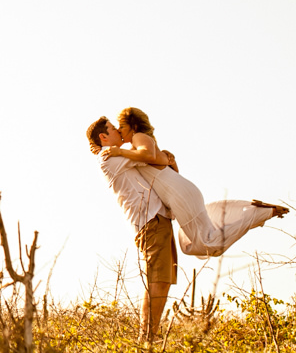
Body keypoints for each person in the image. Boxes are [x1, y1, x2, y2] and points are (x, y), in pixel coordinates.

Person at [103, 107, 286, 257]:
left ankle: (260, 212)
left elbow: (148, 155)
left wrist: (119, 152)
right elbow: (165, 166)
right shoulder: (137, 147)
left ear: (133, 126)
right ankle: (252, 209)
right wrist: (168, 159)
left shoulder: (139, 137)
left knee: (207, 244)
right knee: (192, 243)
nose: (119, 130)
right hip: (180, 191)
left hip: (179, 194)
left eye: (122, 126)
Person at [87, 115, 176, 344]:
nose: (119, 132)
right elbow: (153, 157)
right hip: (150, 221)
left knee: (162, 280)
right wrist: (167, 156)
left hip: (156, 219)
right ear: (104, 137)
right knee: (156, 280)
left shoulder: (116, 156)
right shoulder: (109, 157)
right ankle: (146, 339)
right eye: (114, 129)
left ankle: (150, 336)